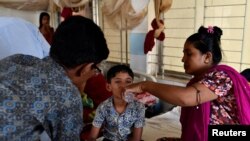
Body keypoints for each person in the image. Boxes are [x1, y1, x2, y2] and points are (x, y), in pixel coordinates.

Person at [125, 26, 250, 141]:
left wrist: (145, 85)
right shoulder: (198, 82)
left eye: (189, 54)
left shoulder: (222, 77)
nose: (183, 59)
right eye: (183, 53)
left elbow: (185, 98)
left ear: (207, 57)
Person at [0, 16, 109, 141]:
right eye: (95, 70)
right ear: (86, 67)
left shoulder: (17, 59)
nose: (95, 74)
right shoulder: (68, 96)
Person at [88, 64, 145, 141]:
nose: (124, 86)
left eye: (128, 81)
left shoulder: (139, 107)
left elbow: (136, 139)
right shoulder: (103, 107)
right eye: (118, 81)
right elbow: (92, 137)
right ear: (109, 87)